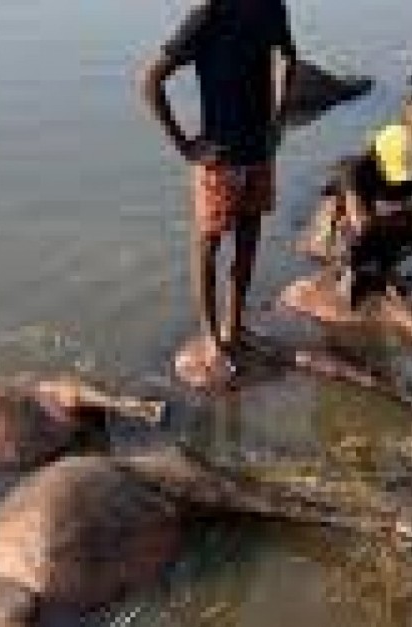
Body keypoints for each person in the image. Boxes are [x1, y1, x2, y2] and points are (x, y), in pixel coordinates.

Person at [140, 0, 298, 385]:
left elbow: (289, 59)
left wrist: (277, 121)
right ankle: (211, 337)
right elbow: (150, 80)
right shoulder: (207, 16)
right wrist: (183, 145)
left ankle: (235, 327)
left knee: (248, 243)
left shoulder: (271, 8)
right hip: (217, 159)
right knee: (208, 247)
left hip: (258, 153)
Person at [307, 123, 412, 306]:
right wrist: (401, 215)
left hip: (382, 211)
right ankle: (348, 270)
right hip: (346, 207)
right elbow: (361, 222)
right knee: (350, 230)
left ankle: (384, 267)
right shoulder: (356, 171)